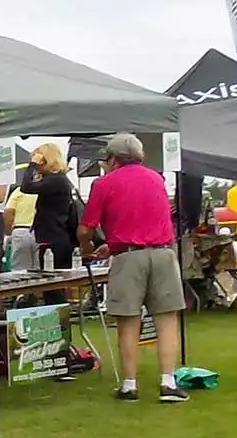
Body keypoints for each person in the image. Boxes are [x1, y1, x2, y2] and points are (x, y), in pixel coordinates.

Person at [78, 133, 187, 402]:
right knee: (166, 319)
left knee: (127, 321)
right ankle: (168, 383)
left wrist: (87, 248)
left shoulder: (104, 183)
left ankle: (129, 385)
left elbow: (85, 228)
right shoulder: (156, 178)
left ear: (114, 159)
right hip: (163, 253)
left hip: (128, 258)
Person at [20, 142, 79, 268]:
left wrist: (33, 165)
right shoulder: (58, 179)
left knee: (53, 277)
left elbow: (26, 187)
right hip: (55, 235)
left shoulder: (56, 180)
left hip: (54, 237)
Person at [4, 183, 39, 271]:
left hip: (21, 230)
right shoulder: (43, 190)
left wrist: (9, 232)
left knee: (19, 269)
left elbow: (8, 212)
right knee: (38, 269)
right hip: (39, 232)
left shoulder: (19, 191)